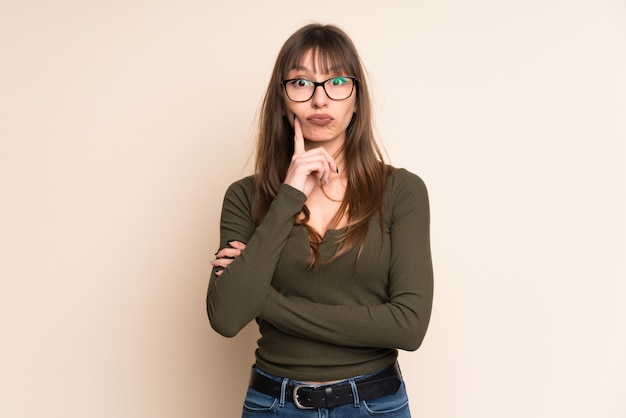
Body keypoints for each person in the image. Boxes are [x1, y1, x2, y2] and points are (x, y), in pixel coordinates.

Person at [206, 23, 433, 417]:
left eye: (337, 81)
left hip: (373, 405)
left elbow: (408, 326)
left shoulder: (402, 191)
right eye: (301, 83)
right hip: (273, 405)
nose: (319, 100)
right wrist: (289, 196)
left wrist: (263, 299)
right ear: (282, 98)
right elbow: (226, 317)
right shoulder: (245, 196)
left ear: (357, 98)